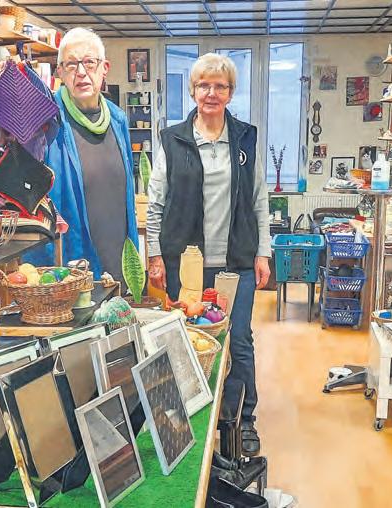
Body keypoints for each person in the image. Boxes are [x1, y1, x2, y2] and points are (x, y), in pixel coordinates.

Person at [146, 53, 271, 456]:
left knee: (239, 340)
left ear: (230, 92)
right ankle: (188, 416)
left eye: (220, 86)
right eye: (203, 85)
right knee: (186, 339)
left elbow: (259, 200)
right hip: (186, 265)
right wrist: (154, 256)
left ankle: (240, 420)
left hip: (236, 262)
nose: (211, 93)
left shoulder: (245, 139)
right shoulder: (173, 140)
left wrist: (263, 253)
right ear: (193, 90)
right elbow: (156, 203)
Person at [0, 27, 138, 298]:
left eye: (90, 62)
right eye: (71, 64)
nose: (81, 72)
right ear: (60, 72)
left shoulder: (118, 119)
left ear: (105, 68)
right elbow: (1, 186)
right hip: (65, 269)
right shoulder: (42, 122)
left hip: (118, 262)